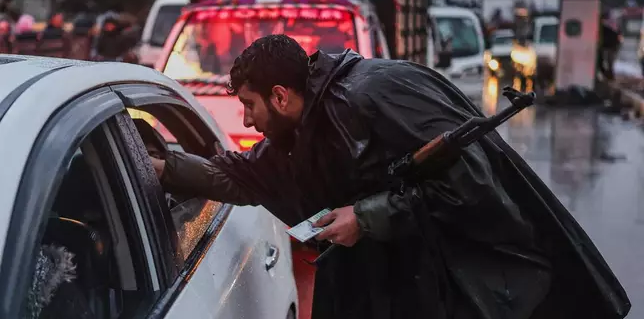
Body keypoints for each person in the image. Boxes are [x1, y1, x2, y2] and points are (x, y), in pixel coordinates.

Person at [151, 35, 629, 319]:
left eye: (249, 106)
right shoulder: (302, 130)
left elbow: (470, 183)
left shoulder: (375, 94)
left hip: (450, 284)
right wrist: (161, 168)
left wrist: (365, 216)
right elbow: (241, 176)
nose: (248, 121)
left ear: (280, 95)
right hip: (382, 285)